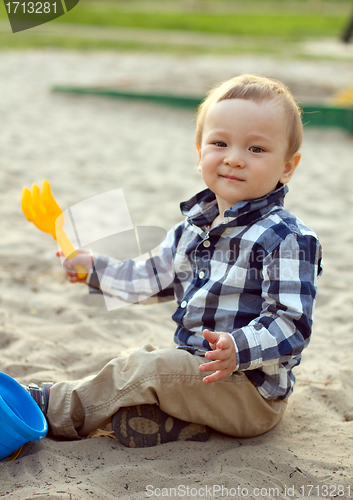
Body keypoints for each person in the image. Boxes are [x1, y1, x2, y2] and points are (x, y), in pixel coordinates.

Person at [25, 74, 322, 448]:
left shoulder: (286, 238)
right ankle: (172, 424)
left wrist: (238, 348)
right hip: (199, 372)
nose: (233, 158)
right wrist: (93, 268)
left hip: (249, 393)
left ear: (287, 167)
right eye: (220, 143)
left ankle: (49, 407)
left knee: (152, 368)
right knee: (147, 364)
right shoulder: (195, 227)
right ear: (199, 154)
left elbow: (291, 323)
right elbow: (148, 277)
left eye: (256, 150)